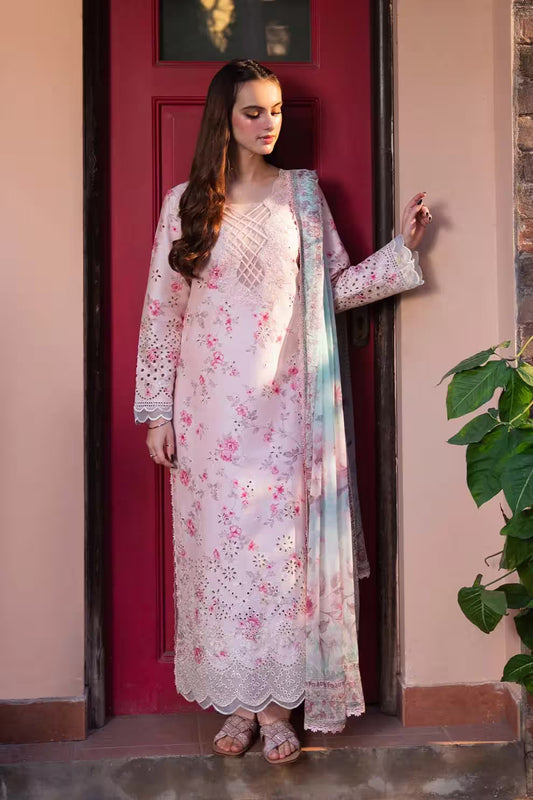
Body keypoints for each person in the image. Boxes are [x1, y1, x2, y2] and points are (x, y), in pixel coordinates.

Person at [133, 58, 431, 765]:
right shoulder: (184, 204)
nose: (268, 123)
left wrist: (400, 251)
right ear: (224, 119)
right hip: (208, 418)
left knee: (279, 565)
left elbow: (333, 289)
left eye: (274, 110)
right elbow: (162, 315)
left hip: (288, 414)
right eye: (252, 112)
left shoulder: (301, 194)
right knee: (219, 560)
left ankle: (275, 712)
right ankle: (237, 706)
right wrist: (156, 412)